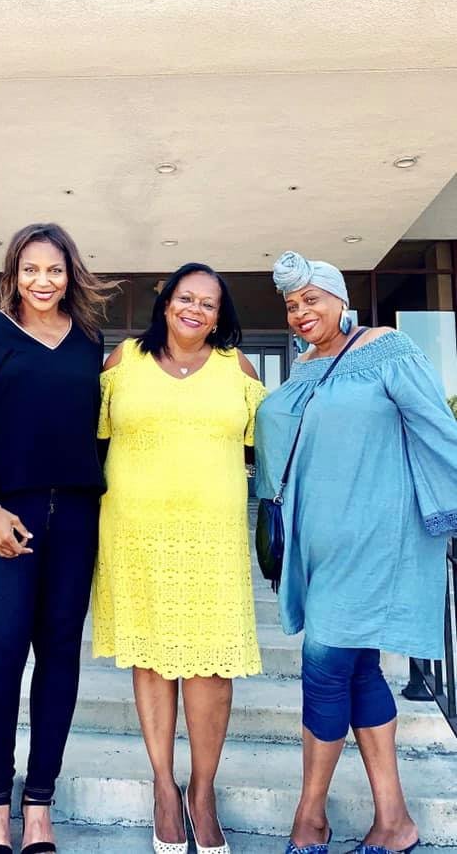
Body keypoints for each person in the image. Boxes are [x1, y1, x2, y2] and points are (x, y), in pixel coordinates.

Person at [255, 250, 457, 854]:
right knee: (360, 670)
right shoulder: (302, 368)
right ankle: (394, 823)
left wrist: (449, 510)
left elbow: (437, 430)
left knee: (322, 668)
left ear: (341, 299)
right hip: (317, 549)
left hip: (372, 542)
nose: (300, 312)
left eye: (312, 299)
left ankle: (309, 818)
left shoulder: (386, 347)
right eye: (291, 305)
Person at [0, 222, 114, 854]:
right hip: (5, 514)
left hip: (76, 515)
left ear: (71, 275)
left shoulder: (89, 339)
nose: (44, 281)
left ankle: (38, 804)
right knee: (1, 651)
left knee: (60, 654)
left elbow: (100, 427)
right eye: (31, 269)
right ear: (13, 273)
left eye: (55, 270)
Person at [92, 262, 266, 854]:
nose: (195, 309)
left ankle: (203, 792)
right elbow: (88, 438)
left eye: (208, 304)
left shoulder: (237, 369)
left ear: (219, 317)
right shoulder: (122, 362)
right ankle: (165, 788)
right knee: (151, 658)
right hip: (135, 532)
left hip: (213, 537)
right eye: (185, 298)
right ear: (165, 303)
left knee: (211, 664)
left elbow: (269, 449)